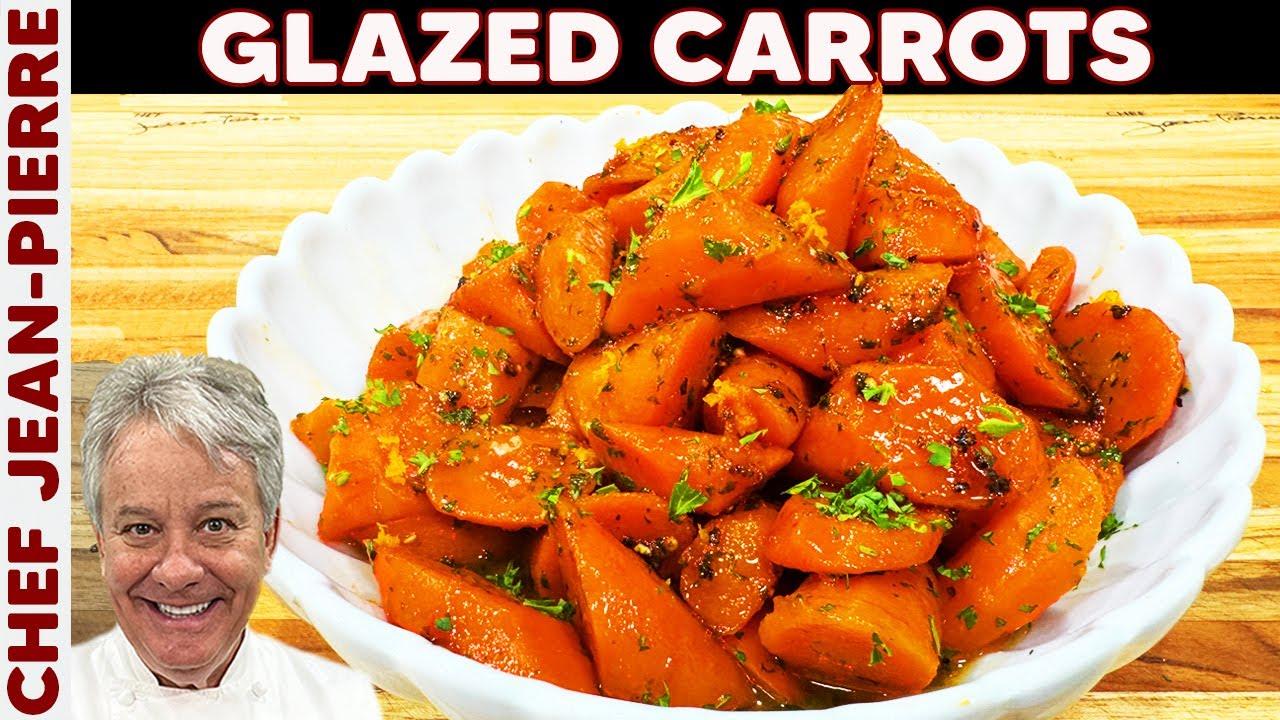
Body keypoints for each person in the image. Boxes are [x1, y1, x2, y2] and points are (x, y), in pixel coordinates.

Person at [70, 354, 381, 719]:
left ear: (269, 536)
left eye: (215, 525)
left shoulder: (340, 705)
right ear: (103, 546)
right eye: (141, 529)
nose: (177, 571)